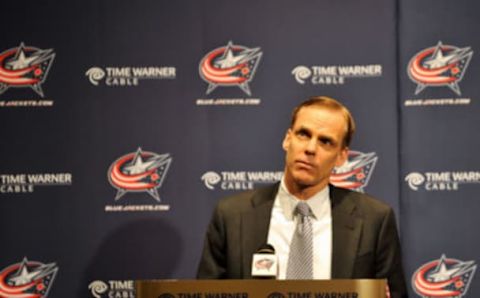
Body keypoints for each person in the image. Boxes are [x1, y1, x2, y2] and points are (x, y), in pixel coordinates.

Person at [197, 96, 408, 297]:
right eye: (303, 134)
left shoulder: (374, 220)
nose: (310, 148)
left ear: (342, 156)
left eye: (325, 142)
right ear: (287, 139)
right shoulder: (232, 215)